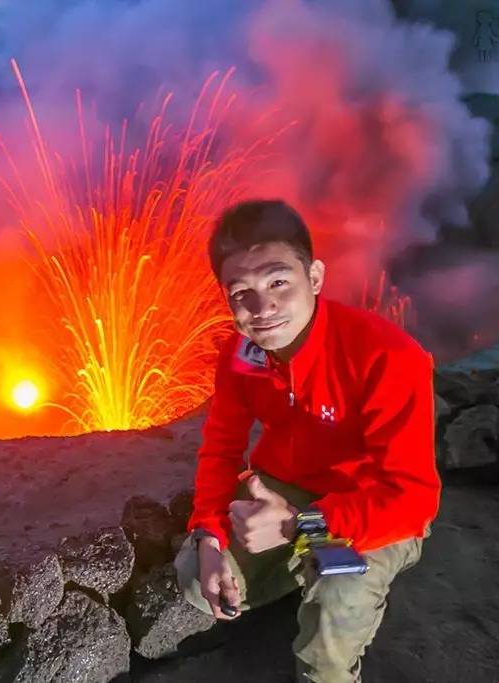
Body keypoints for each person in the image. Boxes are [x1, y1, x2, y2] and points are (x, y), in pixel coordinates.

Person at [175, 199, 441, 683]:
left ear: (314, 277)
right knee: (197, 578)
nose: (262, 309)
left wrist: (298, 527)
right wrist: (209, 534)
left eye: (279, 282)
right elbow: (220, 450)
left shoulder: (389, 357)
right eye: (241, 293)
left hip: (369, 508)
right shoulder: (242, 354)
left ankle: (328, 593)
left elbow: (414, 499)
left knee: (333, 617)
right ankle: (305, 572)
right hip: (284, 491)